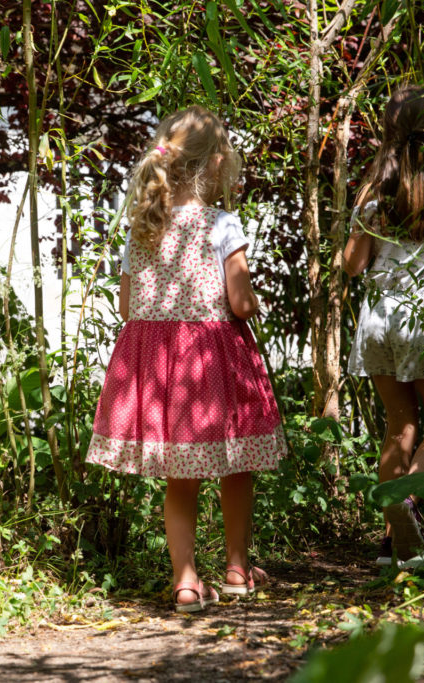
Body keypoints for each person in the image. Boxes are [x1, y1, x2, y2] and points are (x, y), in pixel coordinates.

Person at [86, 106, 287, 613]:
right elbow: (240, 303)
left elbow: (128, 307)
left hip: (162, 370)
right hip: (213, 361)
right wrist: (253, 303)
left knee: (182, 475)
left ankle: (185, 581)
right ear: (216, 164)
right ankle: (238, 569)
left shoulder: (143, 227)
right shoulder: (222, 224)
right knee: (236, 464)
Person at [343, 85, 424, 567]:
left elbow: (352, 265)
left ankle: (392, 541)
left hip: (378, 320)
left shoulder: (374, 189)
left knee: (399, 426)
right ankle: (409, 511)